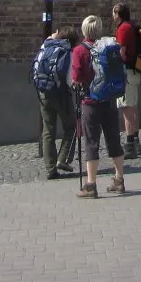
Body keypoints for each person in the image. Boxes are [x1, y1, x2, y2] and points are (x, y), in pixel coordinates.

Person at [72, 14, 125, 197]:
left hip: (90, 101)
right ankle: (119, 179)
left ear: (84, 30)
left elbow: (77, 77)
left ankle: (91, 184)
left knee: (92, 142)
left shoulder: (80, 50)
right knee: (114, 140)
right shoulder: (110, 47)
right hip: (109, 99)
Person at [35, 25, 78, 179]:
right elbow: (70, 79)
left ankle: (50, 168)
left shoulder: (45, 46)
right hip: (61, 94)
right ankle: (63, 159)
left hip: (43, 92)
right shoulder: (68, 52)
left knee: (48, 130)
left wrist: (52, 37)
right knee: (71, 126)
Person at [112, 2, 141, 158]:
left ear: (118, 14)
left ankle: (130, 144)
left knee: (126, 108)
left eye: (114, 13)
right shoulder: (132, 25)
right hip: (134, 71)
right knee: (133, 106)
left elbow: (121, 53)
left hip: (126, 72)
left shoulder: (123, 29)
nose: (113, 16)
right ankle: (136, 141)